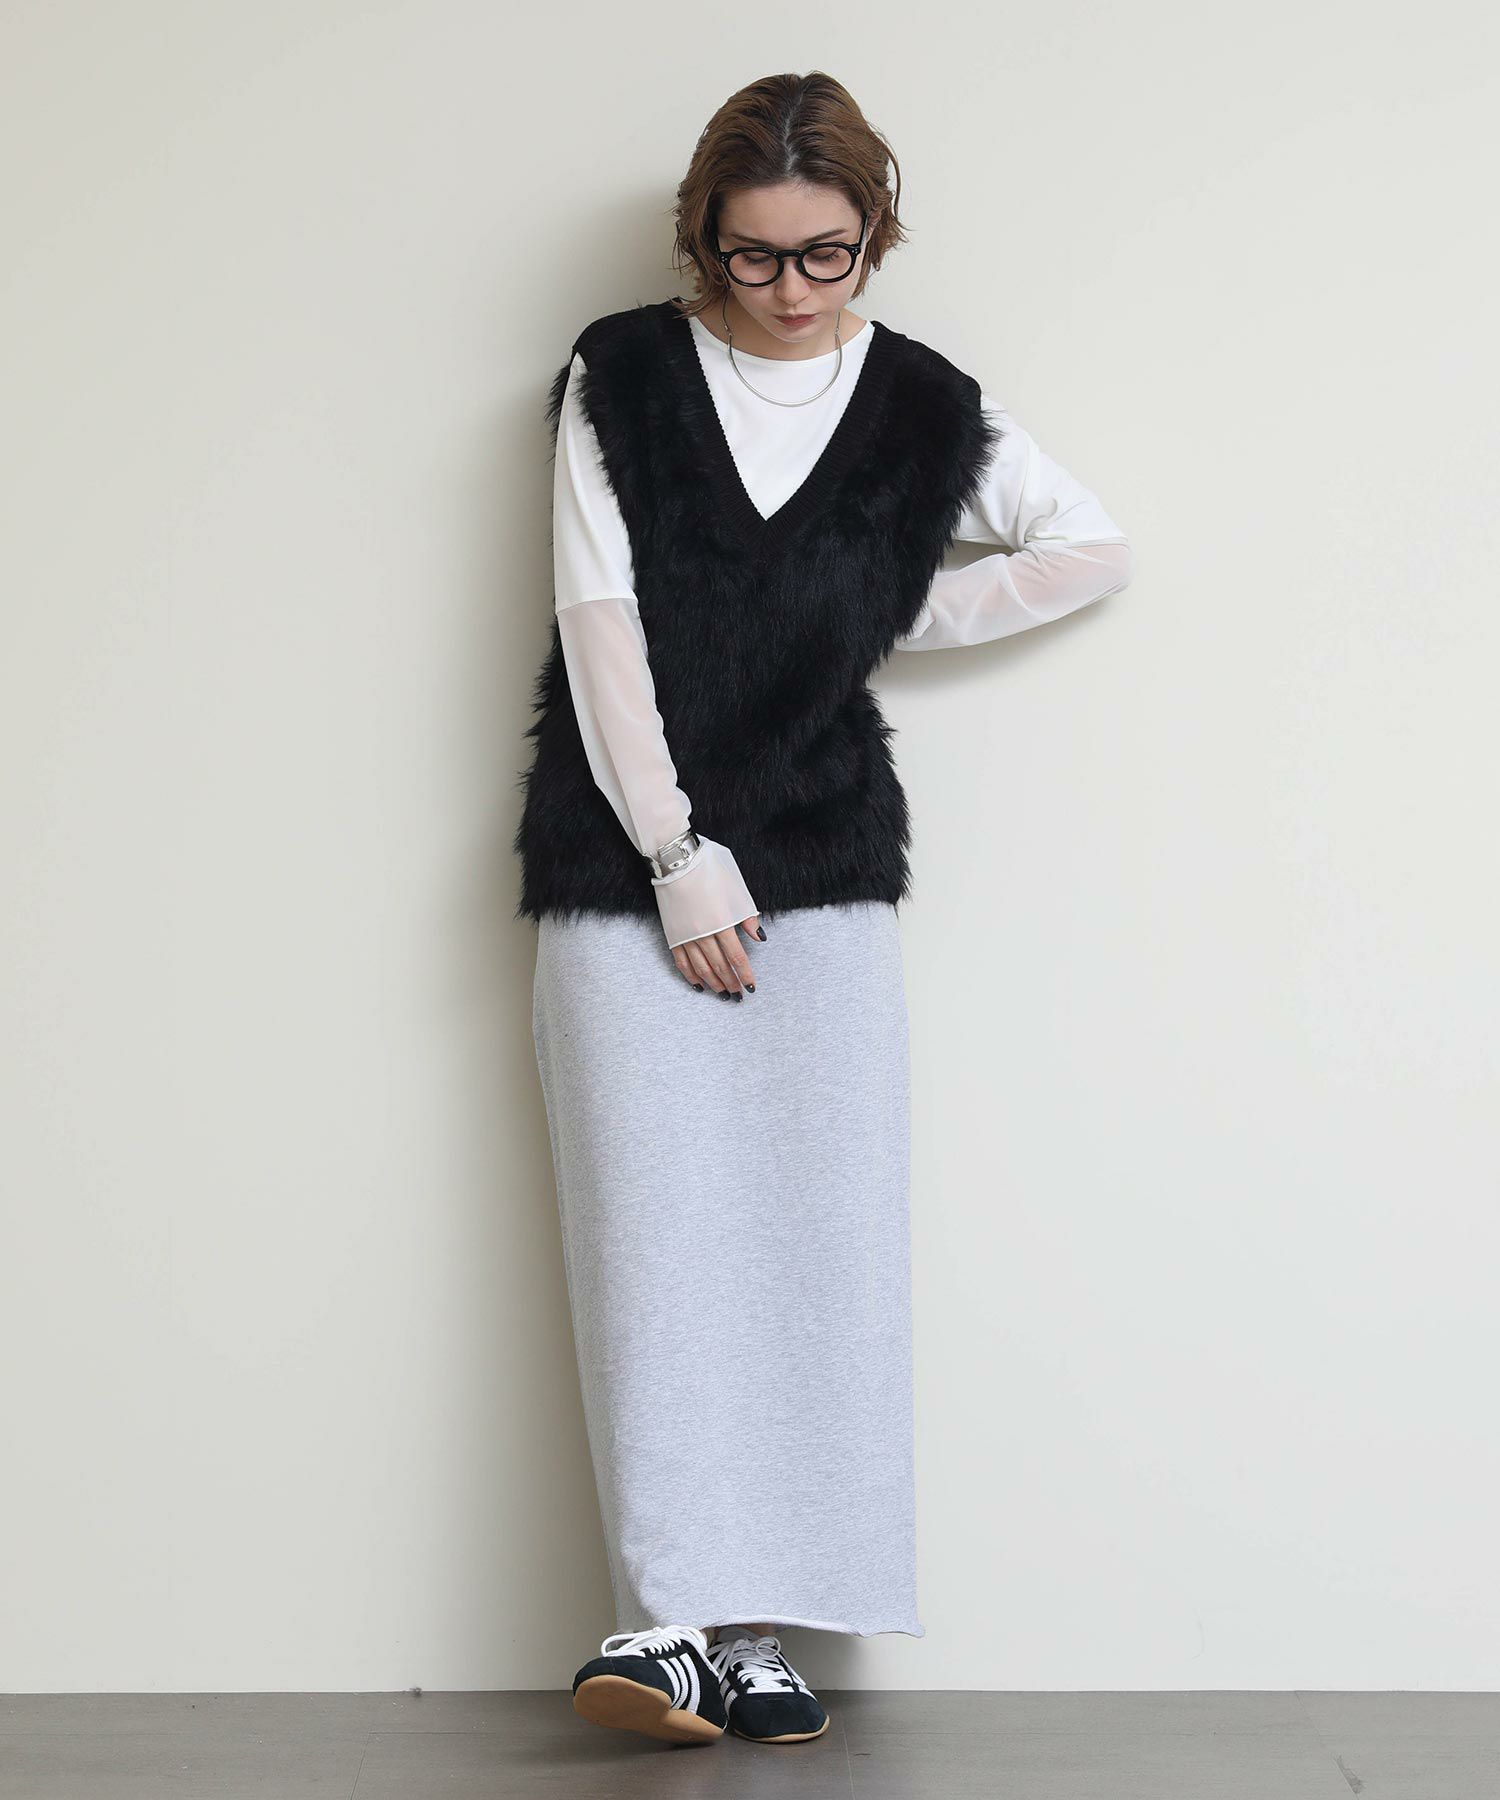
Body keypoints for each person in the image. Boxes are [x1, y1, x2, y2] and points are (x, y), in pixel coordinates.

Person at [512, 70, 1134, 1749]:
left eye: (824, 254)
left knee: (817, 1248)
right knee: (654, 1246)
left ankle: (760, 1631)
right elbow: (598, 626)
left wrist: (865, 614)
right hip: (621, 863)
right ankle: (665, 1621)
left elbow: (1086, 546)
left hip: (831, 863)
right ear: (702, 241)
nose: (787, 288)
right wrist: (677, 856)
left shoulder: (923, 405)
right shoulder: (623, 377)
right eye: (752, 254)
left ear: (874, 235)